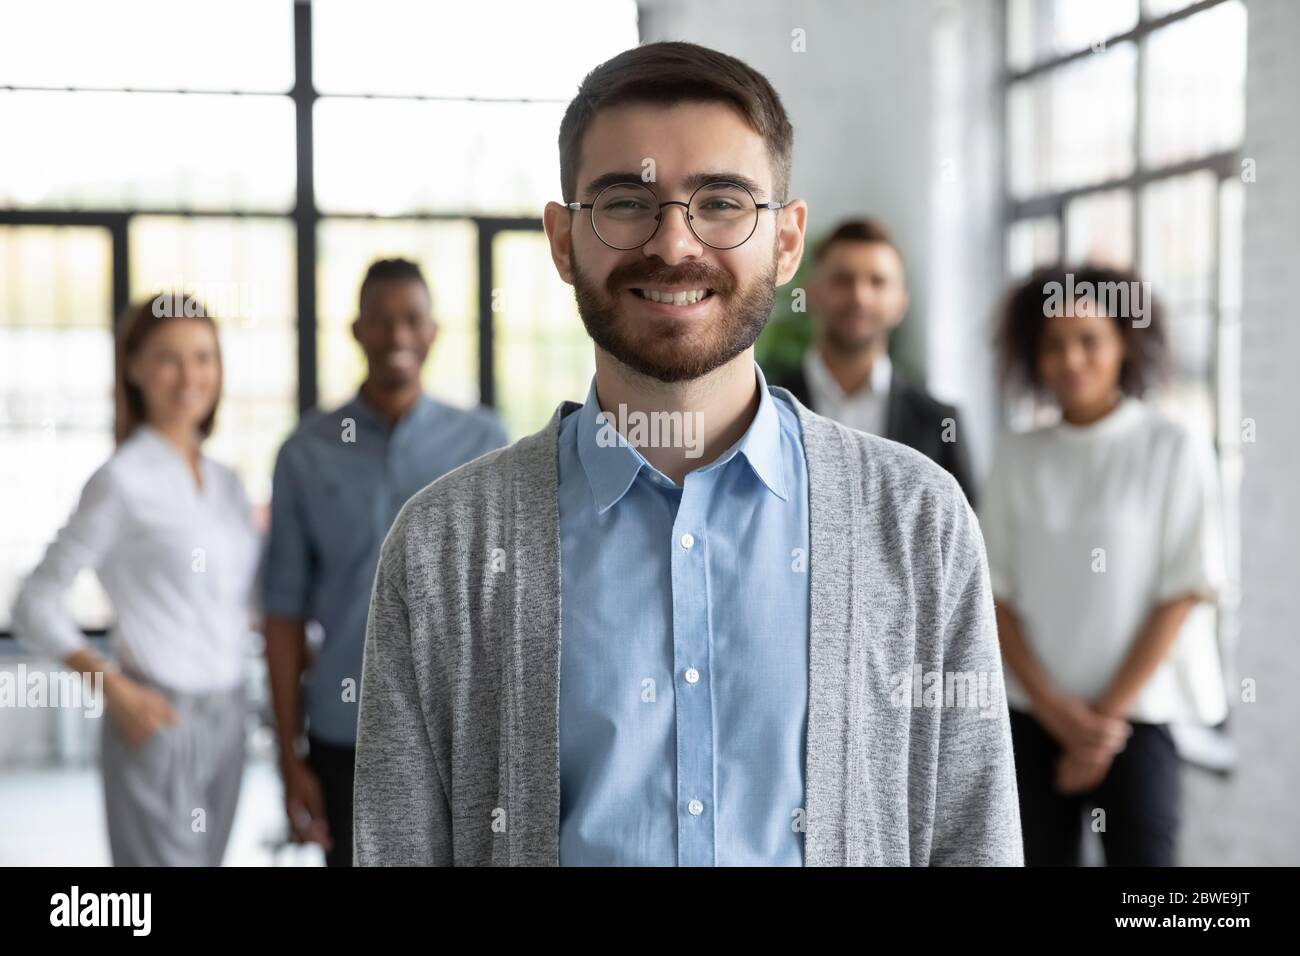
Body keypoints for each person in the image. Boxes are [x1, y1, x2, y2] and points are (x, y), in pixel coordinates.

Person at [353, 41, 1022, 867]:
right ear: (564, 241)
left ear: (785, 240)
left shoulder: (919, 522)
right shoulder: (443, 548)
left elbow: (973, 840)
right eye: (627, 203)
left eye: (722, 202)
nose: (674, 244)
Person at [262, 258, 508, 867]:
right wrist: (288, 758)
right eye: (381, 320)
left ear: (432, 332)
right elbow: (283, 614)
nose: (397, 335)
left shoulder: (484, 444)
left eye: (411, 320)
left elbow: (508, 599)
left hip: (463, 734)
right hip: (346, 735)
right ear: (357, 331)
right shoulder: (305, 453)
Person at [981, 266, 1226, 866]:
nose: (1072, 359)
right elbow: (995, 594)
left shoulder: (1171, 445)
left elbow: (1185, 588)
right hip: (1034, 718)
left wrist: (1102, 725)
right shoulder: (1018, 453)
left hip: (1138, 720)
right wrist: (1058, 712)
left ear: (1124, 343)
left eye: (1089, 339)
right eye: (1053, 345)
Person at [11, 295, 260, 866]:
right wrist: (110, 685)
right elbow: (35, 600)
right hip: (157, 712)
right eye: (169, 359)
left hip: (229, 713)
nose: (189, 376)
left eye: (204, 357)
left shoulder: (227, 484)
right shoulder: (121, 480)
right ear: (134, 368)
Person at [771, 218, 977, 505]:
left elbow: (963, 539)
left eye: (877, 282)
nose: (860, 296)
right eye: (843, 280)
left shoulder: (938, 421)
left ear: (900, 303)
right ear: (812, 293)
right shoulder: (765, 409)